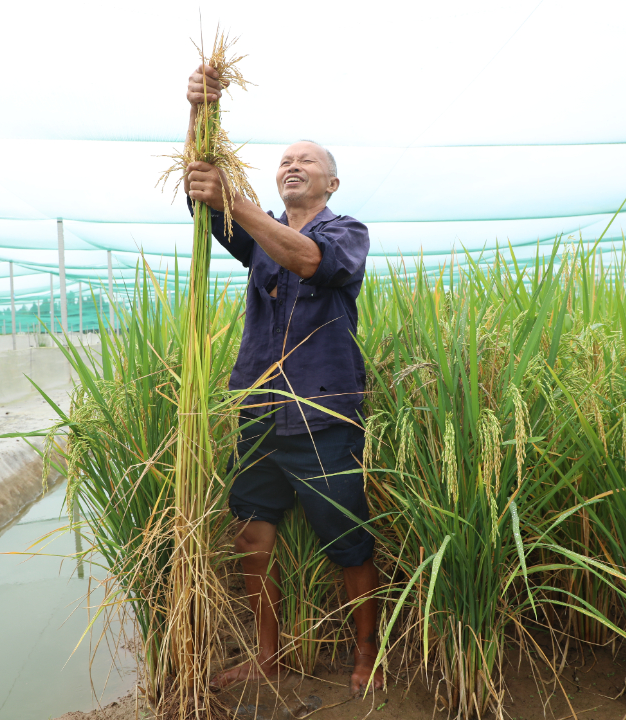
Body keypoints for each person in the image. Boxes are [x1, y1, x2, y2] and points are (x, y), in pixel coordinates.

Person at [182, 64, 384, 697]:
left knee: (347, 541)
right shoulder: (260, 236)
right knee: (252, 532)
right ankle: (268, 654)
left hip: (322, 413)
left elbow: (309, 261)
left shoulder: (345, 232)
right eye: (285, 160)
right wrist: (199, 110)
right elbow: (199, 197)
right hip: (262, 408)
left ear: (331, 180)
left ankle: (364, 652)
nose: (291, 165)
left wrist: (235, 202)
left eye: (306, 160)